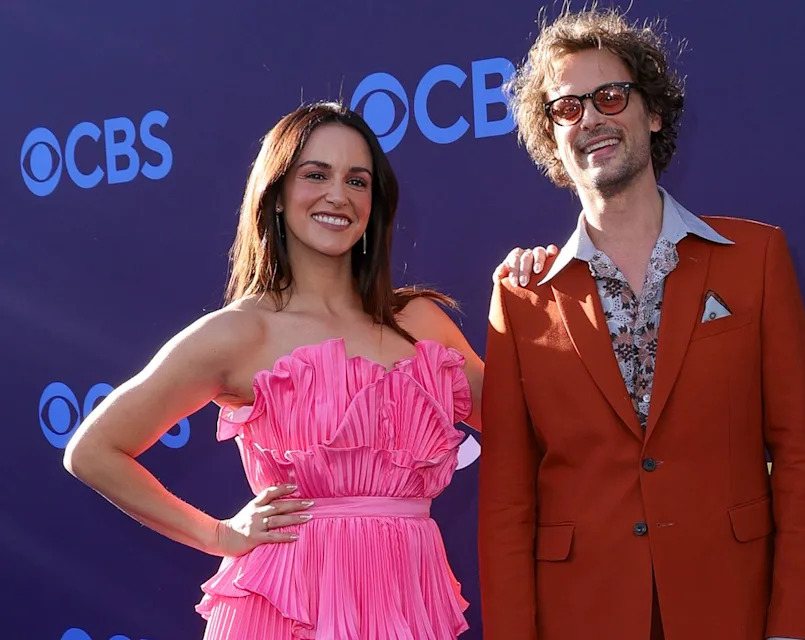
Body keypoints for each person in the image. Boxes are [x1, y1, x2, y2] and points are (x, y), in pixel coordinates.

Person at [64, 101, 506, 640]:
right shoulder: (239, 332)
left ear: (377, 202)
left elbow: (526, 427)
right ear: (275, 194)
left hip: (404, 601)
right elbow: (92, 451)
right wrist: (219, 535)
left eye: (357, 180)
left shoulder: (422, 324)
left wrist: (548, 288)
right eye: (315, 175)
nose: (338, 195)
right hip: (281, 609)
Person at [479, 7, 805, 640]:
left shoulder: (755, 260)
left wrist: (797, 626)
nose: (590, 117)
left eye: (610, 96)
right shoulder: (523, 296)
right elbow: (507, 503)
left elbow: (802, 459)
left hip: (731, 608)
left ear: (653, 112)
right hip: (583, 614)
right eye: (567, 108)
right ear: (552, 138)